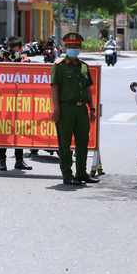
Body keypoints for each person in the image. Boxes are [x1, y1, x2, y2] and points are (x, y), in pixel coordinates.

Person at [50, 32, 99, 186]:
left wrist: (91, 108)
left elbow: (87, 88)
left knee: (82, 143)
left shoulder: (84, 66)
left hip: (81, 109)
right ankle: (67, 174)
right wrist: (56, 110)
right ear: (65, 47)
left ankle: (81, 173)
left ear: (80, 47)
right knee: (64, 144)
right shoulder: (59, 66)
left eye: (76, 46)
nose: (73, 48)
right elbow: (54, 88)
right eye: (70, 46)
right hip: (65, 109)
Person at [0, 36, 33, 171]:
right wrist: (1, 59)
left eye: (14, 51)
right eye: (9, 51)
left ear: (21, 50)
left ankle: (19, 160)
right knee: (3, 132)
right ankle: (2, 161)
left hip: (20, 103)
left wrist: (16, 60)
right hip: (4, 102)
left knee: (19, 131)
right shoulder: (2, 61)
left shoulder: (25, 61)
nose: (11, 54)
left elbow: (28, 74)